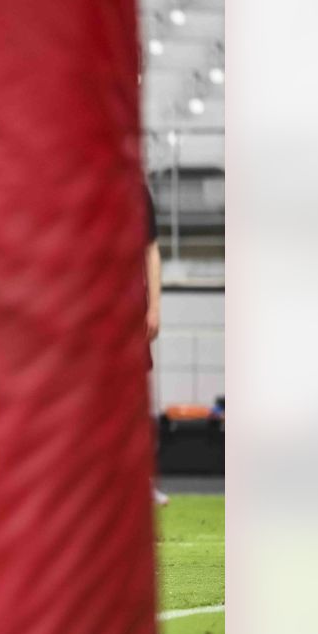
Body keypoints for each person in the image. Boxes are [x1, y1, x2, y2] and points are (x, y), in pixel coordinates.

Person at [143, 183, 170, 507]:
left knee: (134, 396)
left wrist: (154, 306)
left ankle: (142, 481)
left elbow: (151, 250)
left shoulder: (134, 188)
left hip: (126, 309)